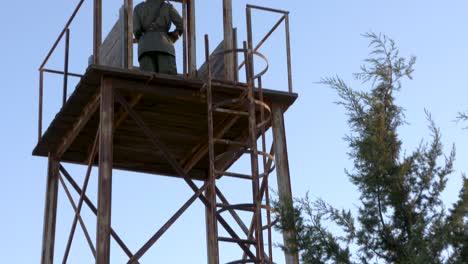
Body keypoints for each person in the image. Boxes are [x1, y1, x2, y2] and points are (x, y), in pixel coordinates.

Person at [133, 0, 183, 74]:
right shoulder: (167, 7)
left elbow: (136, 30)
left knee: (148, 80)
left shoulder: (138, 8)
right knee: (168, 79)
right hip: (165, 46)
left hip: (145, 47)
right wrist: (172, 37)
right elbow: (182, 25)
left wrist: (143, 39)